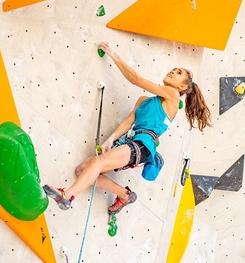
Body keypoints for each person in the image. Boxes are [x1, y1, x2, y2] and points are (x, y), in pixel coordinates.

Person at [43, 42, 212, 215]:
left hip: (142, 145)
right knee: (82, 170)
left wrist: (113, 54)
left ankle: (67, 196)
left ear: (182, 87)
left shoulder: (173, 96)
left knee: (97, 162)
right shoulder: (143, 101)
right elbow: (127, 123)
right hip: (130, 142)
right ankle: (125, 195)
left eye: (178, 73)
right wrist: (110, 139)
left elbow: (135, 79)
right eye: (174, 69)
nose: (173, 71)